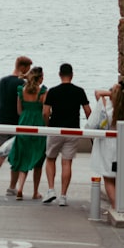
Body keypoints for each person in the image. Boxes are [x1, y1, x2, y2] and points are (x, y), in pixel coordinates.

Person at [42, 62, 92, 206]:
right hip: (73, 130)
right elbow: (88, 111)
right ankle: (63, 196)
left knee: (50, 159)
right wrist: (90, 127)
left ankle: (51, 189)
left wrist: (47, 125)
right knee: (67, 162)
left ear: (59, 75)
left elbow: (45, 112)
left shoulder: (52, 91)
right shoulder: (79, 91)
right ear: (72, 75)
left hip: (55, 129)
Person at [0, 55, 32, 196]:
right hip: (17, 124)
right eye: (28, 69)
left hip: (2, 121)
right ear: (23, 67)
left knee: (1, 152)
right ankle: (11, 187)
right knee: (16, 156)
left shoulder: (2, 81)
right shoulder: (22, 84)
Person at [89, 80, 124, 204]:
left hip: (108, 147)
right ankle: (122, 204)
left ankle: (116, 206)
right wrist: (121, 85)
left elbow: (97, 92)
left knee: (109, 179)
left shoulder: (106, 106)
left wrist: (112, 94)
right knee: (120, 177)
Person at [7, 66, 47, 200]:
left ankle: (20, 188)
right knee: (38, 159)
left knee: (23, 156)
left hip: (24, 123)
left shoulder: (21, 90)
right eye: (43, 76)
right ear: (39, 77)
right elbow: (45, 112)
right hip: (38, 123)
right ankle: (35, 191)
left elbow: (19, 111)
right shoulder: (42, 92)